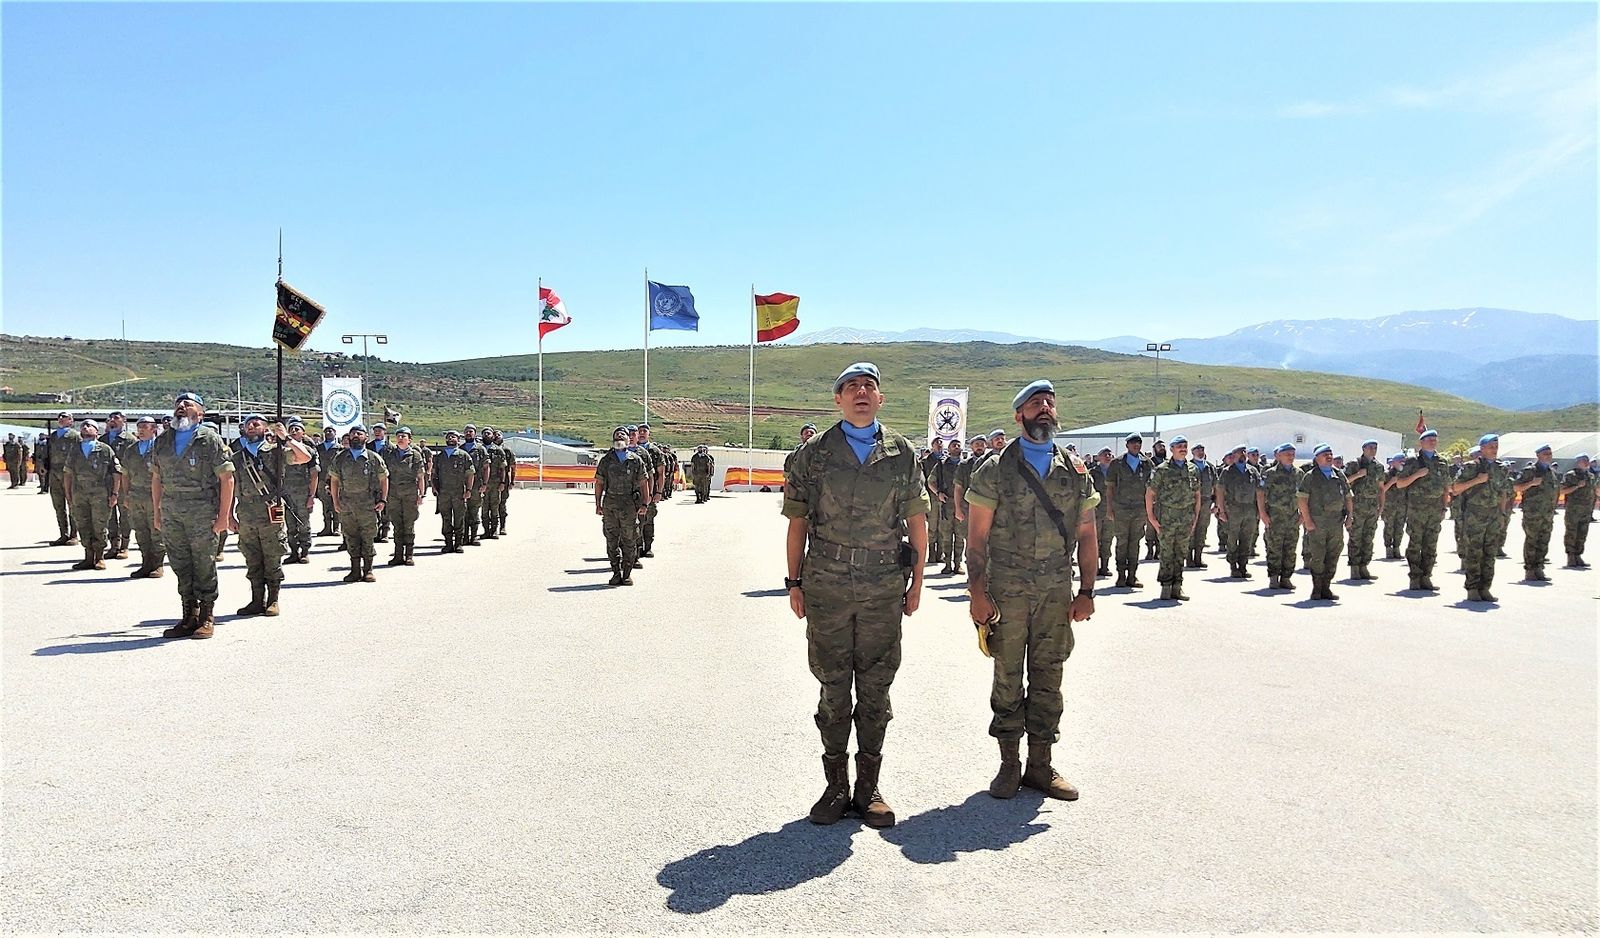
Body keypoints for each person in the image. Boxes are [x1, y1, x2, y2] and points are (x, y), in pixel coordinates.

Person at [782, 362, 927, 829]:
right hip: (826, 584)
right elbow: (798, 522)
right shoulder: (815, 454)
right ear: (838, 399)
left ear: (880, 399)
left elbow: (917, 521)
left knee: (877, 684)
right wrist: (794, 581)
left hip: (883, 586)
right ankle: (834, 785)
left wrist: (918, 581)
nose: (861, 392)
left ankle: (869, 788)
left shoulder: (901, 453)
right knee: (832, 683)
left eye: (869, 386)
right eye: (851, 387)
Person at [965, 379, 1096, 802]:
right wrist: (977, 594)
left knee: (1049, 673)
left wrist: (1087, 590)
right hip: (1008, 588)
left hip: (1057, 587)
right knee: (1007, 674)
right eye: (1035, 403)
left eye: (1050, 403)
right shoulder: (995, 469)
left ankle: (1041, 765)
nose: (1045, 408)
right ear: (1018, 415)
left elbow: (1088, 532)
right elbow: (976, 539)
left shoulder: (1075, 469)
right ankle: (1009, 764)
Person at [152, 392, 235, 639]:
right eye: (179, 403)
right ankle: (188, 615)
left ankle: (207, 615)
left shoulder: (209, 439)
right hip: (172, 511)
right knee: (180, 564)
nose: (181, 406)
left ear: (200, 413)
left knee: (203, 563)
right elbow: (157, 478)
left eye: (188, 404)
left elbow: (227, 478)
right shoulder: (164, 440)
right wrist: (157, 511)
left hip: (202, 510)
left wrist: (224, 516)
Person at [229, 415, 289, 617]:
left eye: (257, 424)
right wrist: (229, 515)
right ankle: (256, 600)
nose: (252, 426)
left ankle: (273, 599)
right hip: (246, 513)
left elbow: (304, 456)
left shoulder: (276, 451)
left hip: (270, 510)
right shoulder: (237, 457)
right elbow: (232, 487)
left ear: (265, 429)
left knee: (273, 555)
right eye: (248, 424)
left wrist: (286, 438)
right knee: (251, 557)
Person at [1450, 434, 1511, 603]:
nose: (1494, 450)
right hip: (1474, 515)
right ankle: (1472, 588)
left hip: (1493, 514)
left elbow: (1503, 492)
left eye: (1496, 446)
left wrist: (1502, 513)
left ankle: (1485, 588)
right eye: (1491, 447)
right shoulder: (1471, 467)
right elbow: (1455, 488)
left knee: (1490, 553)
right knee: (1474, 553)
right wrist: (1477, 480)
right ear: (1482, 449)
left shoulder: (1501, 469)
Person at [328, 424, 389, 583]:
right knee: (351, 537)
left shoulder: (373, 458)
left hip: (368, 504)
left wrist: (383, 500)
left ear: (365, 437)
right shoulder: (340, 457)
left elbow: (384, 479)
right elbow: (334, 481)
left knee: (368, 536)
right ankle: (354, 570)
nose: (356, 436)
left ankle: (368, 570)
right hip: (347, 504)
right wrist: (335, 501)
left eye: (359, 433)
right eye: (353, 433)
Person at [1392, 429, 1449, 592]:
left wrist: (1445, 506)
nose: (1433, 442)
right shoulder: (1413, 462)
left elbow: (1446, 487)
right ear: (1421, 443)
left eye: (1435, 439)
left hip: (1436, 509)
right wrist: (1417, 475)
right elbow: (1400, 484)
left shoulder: (1442, 462)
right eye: (1429, 439)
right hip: (1417, 510)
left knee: (1431, 544)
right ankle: (1415, 577)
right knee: (1415, 543)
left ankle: (1426, 576)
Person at [1146, 435, 1200, 601]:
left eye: (1184, 445)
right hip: (1167, 518)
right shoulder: (1162, 470)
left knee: (1181, 551)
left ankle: (1177, 586)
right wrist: (1152, 518)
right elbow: (1150, 493)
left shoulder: (1193, 469)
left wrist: (1195, 517)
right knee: (1167, 552)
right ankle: (1166, 586)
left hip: (1186, 517)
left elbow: (1197, 495)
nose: (1182, 448)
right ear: (1171, 449)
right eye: (1179, 446)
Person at [64, 419, 122, 571]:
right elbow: (68, 473)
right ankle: (88, 557)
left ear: (97, 431)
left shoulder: (105, 449)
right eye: (83, 425)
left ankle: (99, 557)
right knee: (83, 525)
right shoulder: (75, 449)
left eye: (90, 425)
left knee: (100, 526)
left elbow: (116, 473)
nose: (85, 427)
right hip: (80, 495)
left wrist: (115, 494)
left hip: (100, 495)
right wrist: (68, 495)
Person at [1296, 443, 1352, 601]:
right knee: (1318, 556)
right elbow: (1302, 499)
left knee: (1333, 555)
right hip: (1318, 522)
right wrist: (1307, 520)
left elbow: (1348, 497)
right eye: (1325, 454)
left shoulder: (1339, 475)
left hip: (1336, 522)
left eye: (1330, 453)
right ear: (1317, 458)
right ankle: (1317, 587)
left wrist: (1350, 516)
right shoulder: (1310, 476)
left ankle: (1326, 586)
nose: (1329, 456)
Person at [595, 425, 649, 585]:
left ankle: (626, 573)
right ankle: (615, 572)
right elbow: (599, 482)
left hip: (629, 506)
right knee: (611, 540)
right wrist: (598, 504)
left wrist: (645, 503)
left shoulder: (635, 460)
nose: (619, 438)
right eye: (616, 436)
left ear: (628, 440)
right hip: (610, 505)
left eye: (622, 436)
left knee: (629, 540)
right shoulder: (606, 460)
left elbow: (643, 482)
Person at [1105, 432, 1152, 589]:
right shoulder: (1117, 463)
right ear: (1127, 445)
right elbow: (1110, 488)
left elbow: (1151, 488)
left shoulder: (1146, 463)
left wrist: (1150, 509)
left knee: (1135, 543)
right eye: (1133, 443)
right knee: (1122, 542)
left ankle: (1132, 575)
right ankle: (1120, 575)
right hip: (1122, 508)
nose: (1136, 445)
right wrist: (1110, 509)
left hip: (1139, 509)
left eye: (1138, 442)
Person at [121, 416, 165, 578]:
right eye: (139, 426)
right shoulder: (131, 450)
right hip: (136, 496)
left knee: (156, 531)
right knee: (140, 531)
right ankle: (145, 563)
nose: (141, 429)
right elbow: (125, 474)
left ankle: (157, 565)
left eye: (145, 426)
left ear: (154, 429)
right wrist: (126, 494)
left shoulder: (161, 448)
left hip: (154, 496)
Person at [1258, 443, 1302, 591]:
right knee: (1274, 548)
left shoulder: (1299, 474)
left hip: (1293, 517)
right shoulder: (1270, 473)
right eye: (1287, 454)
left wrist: (1303, 515)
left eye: (1292, 454)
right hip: (1275, 517)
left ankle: (1286, 578)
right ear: (1278, 456)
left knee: (1290, 549)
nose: (1291, 457)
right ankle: (1273, 577)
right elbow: (1260, 493)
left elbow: (1304, 496)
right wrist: (1262, 513)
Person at [383, 426, 428, 565]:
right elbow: (384, 476)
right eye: (399, 436)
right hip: (394, 493)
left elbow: (420, 476)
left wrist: (421, 494)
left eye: (404, 436)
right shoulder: (390, 454)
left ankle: (409, 554)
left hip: (409, 493)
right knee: (397, 524)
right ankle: (398, 555)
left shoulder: (415, 455)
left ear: (410, 439)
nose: (400, 438)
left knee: (408, 524)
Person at [1516, 444, 1560, 582]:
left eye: (1550, 453)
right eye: (1546, 453)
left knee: (1544, 540)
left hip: (1547, 513)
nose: (1549, 455)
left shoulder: (1551, 471)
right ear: (1538, 455)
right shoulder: (1531, 471)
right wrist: (1531, 483)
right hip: (1533, 513)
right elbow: (1516, 487)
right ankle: (1530, 569)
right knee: (1532, 540)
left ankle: (1539, 568)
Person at [281, 418, 320, 564]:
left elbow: (314, 474)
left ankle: (304, 551)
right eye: (291, 429)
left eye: (297, 429)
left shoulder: (309, 451)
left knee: (303, 523)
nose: (294, 431)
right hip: (286, 493)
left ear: (303, 433)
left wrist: (311, 495)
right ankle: (293, 552)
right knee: (289, 524)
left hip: (303, 493)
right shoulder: (283, 451)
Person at [1343, 440, 1383, 580]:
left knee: (1369, 537)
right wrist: (1358, 475)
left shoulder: (1378, 466)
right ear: (1363, 449)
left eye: (1375, 448)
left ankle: (1364, 566)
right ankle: (1354, 567)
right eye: (1370, 448)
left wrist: (1381, 506)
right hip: (1357, 506)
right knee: (1355, 537)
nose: (1373, 450)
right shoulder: (1354, 464)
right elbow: (1343, 482)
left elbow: (1381, 488)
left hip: (1372, 506)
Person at [1216, 445, 1256, 579]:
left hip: (1250, 511)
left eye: (1244, 452)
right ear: (1233, 456)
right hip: (1233, 511)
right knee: (1232, 539)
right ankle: (1233, 566)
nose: (1243, 455)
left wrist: (1260, 510)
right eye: (1239, 453)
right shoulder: (1227, 472)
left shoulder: (1252, 471)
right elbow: (1220, 491)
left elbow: (1260, 492)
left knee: (1247, 539)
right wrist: (1221, 510)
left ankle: (1243, 566)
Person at [433, 429, 473, 553]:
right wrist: (434, 489)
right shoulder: (440, 456)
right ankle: (448, 543)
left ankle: (459, 543)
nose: (451, 439)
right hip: (444, 493)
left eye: (453, 437)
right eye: (449, 437)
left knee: (459, 518)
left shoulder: (464, 455)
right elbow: (434, 474)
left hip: (459, 492)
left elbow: (470, 474)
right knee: (446, 518)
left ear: (458, 440)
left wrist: (469, 489)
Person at [101, 411, 134, 559]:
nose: (112, 421)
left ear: (124, 421)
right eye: (110, 419)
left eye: (116, 418)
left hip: (124, 481)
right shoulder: (103, 439)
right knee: (109, 515)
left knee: (125, 514)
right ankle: (114, 544)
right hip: (106, 482)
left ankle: (124, 546)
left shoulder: (130, 440)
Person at [46, 411, 81, 545]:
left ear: (71, 421)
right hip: (54, 473)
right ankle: (63, 534)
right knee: (58, 504)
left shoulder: (75, 436)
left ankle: (74, 534)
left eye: (65, 417)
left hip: (69, 474)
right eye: (60, 417)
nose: (61, 419)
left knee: (72, 503)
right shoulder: (54, 436)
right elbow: (48, 452)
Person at [932, 437, 964, 574]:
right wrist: (938, 493)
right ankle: (947, 564)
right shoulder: (941, 465)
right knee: (946, 535)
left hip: (962, 505)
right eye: (953, 445)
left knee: (960, 535)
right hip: (946, 504)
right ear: (949, 449)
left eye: (958, 445)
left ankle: (958, 564)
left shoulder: (966, 465)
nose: (956, 447)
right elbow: (931, 481)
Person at [636, 424, 668, 557]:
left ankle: (647, 547)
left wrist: (659, 492)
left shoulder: (655, 451)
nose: (642, 433)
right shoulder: (631, 449)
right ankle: (636, 548)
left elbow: (661, 474)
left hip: (650, 491)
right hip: (634, 492)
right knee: (635, 521)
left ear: (649, 434)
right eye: (640, 431)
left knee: (648, 520)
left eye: (644, 431)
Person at [1560, 454, 1595, 568]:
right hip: (1573, 510)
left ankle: (1578, 555)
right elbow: (1562, 491)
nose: (1586, 463)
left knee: (1582, 533)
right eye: (1583, 461)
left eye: (1587, 460)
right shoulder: (1571, 475)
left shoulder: (1590, 476)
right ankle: (1570, 556)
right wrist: (1576, 486)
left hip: (1586, 509)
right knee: (1571, 533)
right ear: (1578, 462)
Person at [1188, 443, 1217, 569]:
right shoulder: (1187, 466)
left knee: (1202, 529)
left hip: (1206, 502)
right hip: (1191, 503)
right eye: (1197, 450)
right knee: (1190, 530)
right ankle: (1188, 558)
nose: (1200, 452)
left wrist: (1216, 503)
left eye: (1202, 450)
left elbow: (1216, 486)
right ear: (1192, 452)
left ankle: (1198, 557)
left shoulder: (1209, 467)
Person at [460, 424, 489, 545]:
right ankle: (464, 536)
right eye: (466, 431)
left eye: (471, 431)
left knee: (474, 510)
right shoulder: (460, 449)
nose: (468, 433)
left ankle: (474, 536)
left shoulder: (480, 449)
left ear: (475, 434)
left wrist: (485, 484)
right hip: (461, 484)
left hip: (477, 484)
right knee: (463, 511)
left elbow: (486, 467)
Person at [1089, 447, 1114, 578]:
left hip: (1110, 510)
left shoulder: (1115, 472)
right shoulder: (1093, 472)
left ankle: (1105, 566)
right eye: (1105, 454)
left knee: (1107, 539)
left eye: (1110, 454)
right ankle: (1094, 567)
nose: (1108, 456)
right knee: (1095, 540)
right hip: (1096, 511)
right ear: (1098, 457)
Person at [921, 438, 946, 567]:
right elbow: (921, 480)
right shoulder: (925, 462)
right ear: (932, 445)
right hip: (931, 497)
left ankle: (940, 554)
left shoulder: (945, 461)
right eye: (937, 443)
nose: (940, 445)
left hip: (944, 498)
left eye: (941, 443)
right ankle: (931, 554)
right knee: (932, 526)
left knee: (942, 526)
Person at [1380, 453, 1408, 560]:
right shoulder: (1387, 474)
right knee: (1389, 527)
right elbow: (1381, 491)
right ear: (1394, 462)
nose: (1402, 462)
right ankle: (1388, 549)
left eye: (1403, 460)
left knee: (1400, 528)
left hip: (1402, 505)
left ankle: (1397, 548)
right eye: (1400, 460)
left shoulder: (1406, 474)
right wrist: (1391, 482)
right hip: (1389, 506)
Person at [368, 424, 392, 543]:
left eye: (379, 431)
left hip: (385, 481)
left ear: (384, 432)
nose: (377, 432)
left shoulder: (391, 448)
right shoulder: (368, 446)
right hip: (371, 482)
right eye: (375, 431)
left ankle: (385, 532)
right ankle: (375, 532)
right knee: (373, 507)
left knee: (385, 507)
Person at [316, 426, 341, 537]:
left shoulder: (339, 448)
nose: (328, 433)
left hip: (335, 479)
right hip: (322, 479)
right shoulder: (319, 448)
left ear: (335, 433)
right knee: (325, 505)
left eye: (331, 431)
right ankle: (327, 527)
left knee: (336, 503)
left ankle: (336, 528)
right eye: (326, 431)